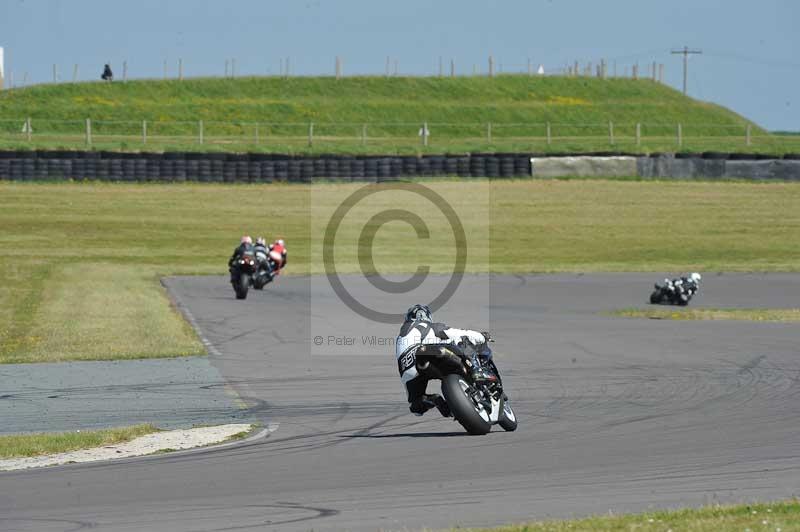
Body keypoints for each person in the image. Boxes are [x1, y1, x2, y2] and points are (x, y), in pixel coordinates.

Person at [394, 304, 490, 417]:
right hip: (427, 353)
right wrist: (481, 337)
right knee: (458, 342)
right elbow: (457, 333)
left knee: (416, 406)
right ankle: (475, 371)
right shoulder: (429, 326)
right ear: (428, 317)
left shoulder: (401, 336)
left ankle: (435, 400)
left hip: (406, 369)